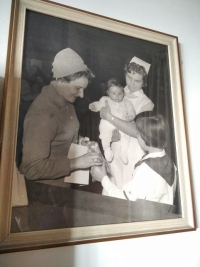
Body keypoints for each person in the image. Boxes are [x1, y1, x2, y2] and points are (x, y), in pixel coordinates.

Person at [20, 48, 103, 187]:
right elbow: (31, 169)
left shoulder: (66, 100)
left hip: (63, 187)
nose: (82, 95)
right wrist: (77, 162)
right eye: (77, 88)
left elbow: (58, 134)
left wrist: (80, 140)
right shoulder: (43, 115)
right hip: (44, 192)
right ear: (60, 80)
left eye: (83, 89)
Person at [91, 115, 177, 205]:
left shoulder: (146, 169)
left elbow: (124, 199)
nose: (136, 135)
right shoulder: (172, 164)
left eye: (138, 134)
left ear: (146, 138)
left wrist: (103, 178)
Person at [100, 57, 154, 190]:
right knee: (111, 189)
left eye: (137, 81)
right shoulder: (115, 92)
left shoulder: (147, 103)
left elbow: (137, 131)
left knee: (127, 192)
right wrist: (111, 135)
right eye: (129, 77)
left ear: (144, 82)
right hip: (115, 149)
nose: (131, 83)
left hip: (133, 154)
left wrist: (110, 117)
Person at [89, 78, 136, 165]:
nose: (117, 96)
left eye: (120, 93)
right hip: (108, 123)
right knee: (104, 131)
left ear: (123, 93)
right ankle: (107, 149)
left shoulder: (127, 102)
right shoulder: (105, 99)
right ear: (108, 93)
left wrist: (131, 116)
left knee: (126, 136)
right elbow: (99, 105)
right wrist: (94, 106)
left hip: (122, 123)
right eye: (114, 93)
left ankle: (123, 153)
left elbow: (131, 110)